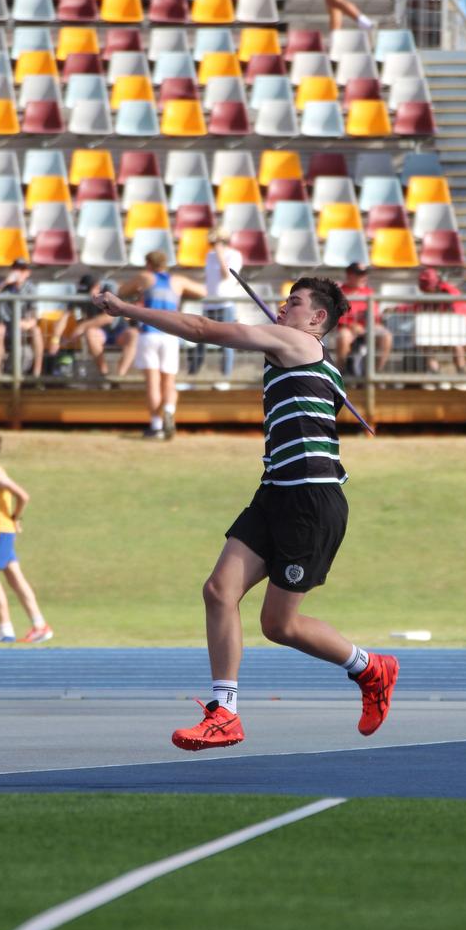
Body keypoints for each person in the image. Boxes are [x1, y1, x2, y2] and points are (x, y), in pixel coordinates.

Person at [94, 278, 399, 750]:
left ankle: (370, 668)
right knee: (219, 591)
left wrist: (126, 308)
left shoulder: (296, 342)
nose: (283, 307)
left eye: (294, 303)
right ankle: (225, 714)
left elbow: (199, 328)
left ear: (317, 320)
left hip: (310, 500)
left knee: (280, 625)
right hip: (276, 490)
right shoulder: (309, 358)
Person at [117, 251, 206, 440]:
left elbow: (122, 291)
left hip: (149, 334)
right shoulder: (178, 281)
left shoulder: (145, 277)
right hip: (171, 335)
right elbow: (202, 291)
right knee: (169, 382)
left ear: (149, 263)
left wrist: (138, 293)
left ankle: (156, 426)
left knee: (153, 382)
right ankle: (168, 409)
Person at [0, 430, 53, 645]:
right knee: (11, 578)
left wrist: (16, 517)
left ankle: (38, 626)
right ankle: (23, 627)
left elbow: (23, 495)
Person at [392, 267, 466, 391]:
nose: (427, 293)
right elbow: (416, 307)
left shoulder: (450, 293)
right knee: (423, 342)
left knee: (457, 344)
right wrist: (397, 309)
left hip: (452, 331)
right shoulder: (427, 296)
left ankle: (461, 376)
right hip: (434, 332)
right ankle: (436, 374)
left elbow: (463, 313)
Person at [188, 229, 243, 389]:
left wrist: (219, 254)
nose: (212, 246)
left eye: (215, 242)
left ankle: (225, 379)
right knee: (199, 341)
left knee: (227, 342)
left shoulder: (234, 255)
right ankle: (193, 378)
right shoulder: (209, 255)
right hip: (209, 303)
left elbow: (227, 275)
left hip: (225, 304)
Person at [64, 274, 138, 383]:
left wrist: (82, 326)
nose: (86, 295)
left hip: (119, 331)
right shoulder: (80, 294)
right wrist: (55, 339)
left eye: (88, 291)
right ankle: (104, 374)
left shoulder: (109, 291)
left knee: (133, 334)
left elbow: (108, 318)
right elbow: (65, 316)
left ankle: (120, 377)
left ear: (97, 286)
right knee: (90, 333)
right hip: (100, 333)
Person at [0, 260, 43, 378]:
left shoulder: (31, 288)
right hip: (3, 322)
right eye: (16, 269)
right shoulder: (1, 283)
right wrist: (5, 282)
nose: (19, 273)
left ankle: (37, 375)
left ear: (28, 273)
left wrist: (28, 323)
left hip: (21, 323)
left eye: (22, 270)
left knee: (36, 331)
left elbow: (34, 314)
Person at [336, 263, 392, 375]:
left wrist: (365, 326)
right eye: (359, 274)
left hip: (368, 327)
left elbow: (375, 316)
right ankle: (342, 374)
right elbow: (336, 315)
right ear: (349, 275)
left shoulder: (369, 292)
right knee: (343, 337)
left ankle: (375, 374)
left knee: (386, 336)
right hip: (347, 328)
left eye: (364, 274)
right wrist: (351, 325)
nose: (363, 277)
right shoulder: (339, 293)